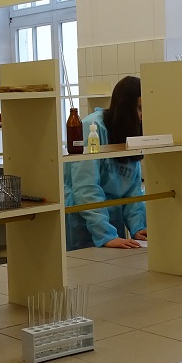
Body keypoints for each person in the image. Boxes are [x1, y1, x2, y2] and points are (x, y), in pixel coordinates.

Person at [64, 76, 147, 250]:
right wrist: (105, 235)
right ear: (125, 107)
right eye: (139, 108)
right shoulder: (93, 128)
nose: (142, 116)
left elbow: (132, 189)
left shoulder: (130, 131)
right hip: (83, 219)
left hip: (110, 223)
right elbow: (86, 187)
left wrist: (138, 227)